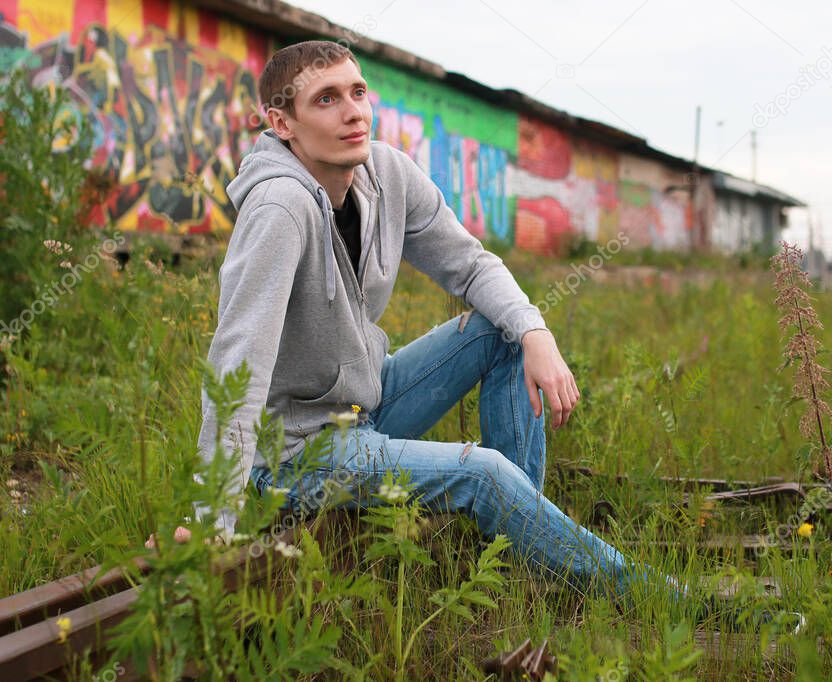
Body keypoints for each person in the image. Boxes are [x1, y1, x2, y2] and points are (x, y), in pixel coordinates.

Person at [172, 39, 671, 601]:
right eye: (327, 99)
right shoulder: (279, 209)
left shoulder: (386, 173)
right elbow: (239, 359)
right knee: (481, 473)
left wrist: (537, 332)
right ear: (282, 122)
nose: (353, 111)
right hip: (292, 453)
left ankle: (511, 543)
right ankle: (652, 595)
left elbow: (472, 265)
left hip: (364, 404)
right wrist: (213, 515)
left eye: (357, 92)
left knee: (501, 330)